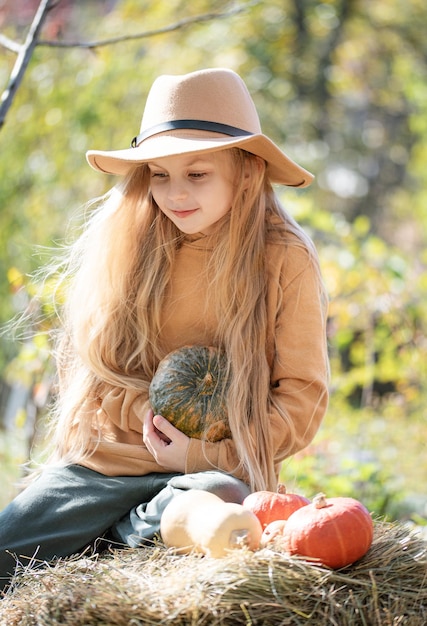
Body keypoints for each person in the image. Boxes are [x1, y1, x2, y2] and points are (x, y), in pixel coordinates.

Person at [0, 68, 329, 593]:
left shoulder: (283, 259)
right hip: (108, 468)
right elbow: (98, 369)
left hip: (207, 474)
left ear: (245, 171)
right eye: (158, 174)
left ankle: (119, 538)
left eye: (196, 174)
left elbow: (301, 400)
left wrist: (197, 455)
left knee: (216, 496)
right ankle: (118, 533)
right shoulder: (132, 244)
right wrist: (151, 425)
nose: (174, 194)